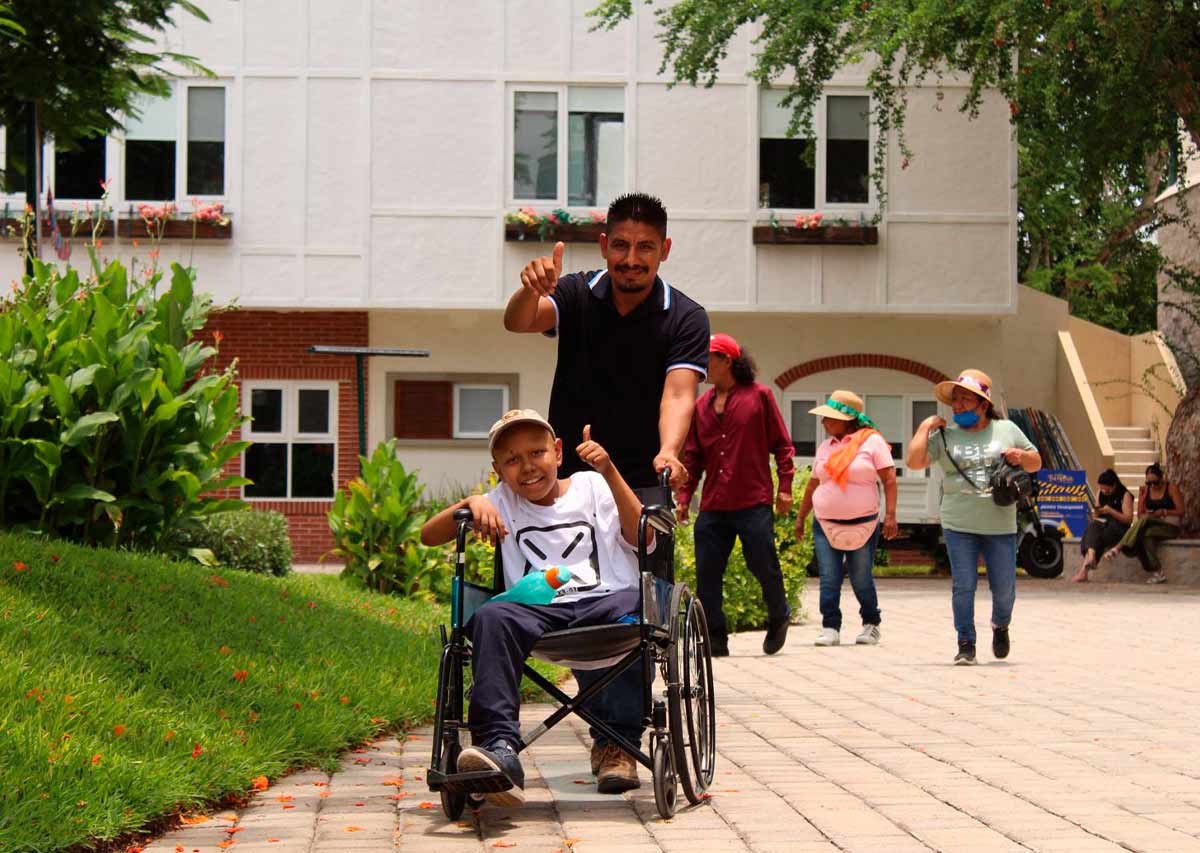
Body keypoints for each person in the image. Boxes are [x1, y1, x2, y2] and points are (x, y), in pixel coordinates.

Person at [502, 192, 710, 791]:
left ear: (664, 250)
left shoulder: (685, 316)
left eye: (645, 247)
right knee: (568, 590)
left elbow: (679, 392)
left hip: (640, 478)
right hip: (565, 481)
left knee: (635, 606)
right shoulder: (576, 295)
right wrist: (529, 289)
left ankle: (617, 738)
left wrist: (669, 450)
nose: (631, 258)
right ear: (604, 247)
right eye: (620, 245)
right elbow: (520, 320)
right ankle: (588, 730)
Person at [420, 409, 649, 806]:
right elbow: (428, 535)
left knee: (635, 607)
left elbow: (643, 539)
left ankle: (618, 744)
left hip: (605, 600)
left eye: (537, 453)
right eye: (512, 459)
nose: (527, 466)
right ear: (498, 470)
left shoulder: (592, 485)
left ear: (558, 451)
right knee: (491, 615)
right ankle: (499, 748)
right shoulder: (500, 501)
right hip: (538, 611)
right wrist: (472, 502)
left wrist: (610, 471)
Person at [905, 369, 1041, 665]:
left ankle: (1000, 625)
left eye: (965, 399)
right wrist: (925, 426)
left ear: (983, 403)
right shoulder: (945, 435)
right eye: (955, 400)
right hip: (959, 522)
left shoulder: (1006, 429)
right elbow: (914, 462)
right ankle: (966, 643)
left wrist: (1020, 456)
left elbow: (1036, 462)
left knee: (1004, 589)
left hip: (999, 522)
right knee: (963, 585)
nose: (958, 406)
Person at [676, 333, 794, 657]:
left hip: (752, 499)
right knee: (707, 573)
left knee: (762, 564)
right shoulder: (701, 405)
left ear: (727, 360)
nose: (703, 365)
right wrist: (684, 498)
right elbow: (693, 457)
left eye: (708, 358)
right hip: (714, 503)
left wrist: (785, 486)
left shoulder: (760, 397)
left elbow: (782, 445)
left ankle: (779, 614)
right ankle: (716, 638)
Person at [795, 390, 898, 647]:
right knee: (829, 577)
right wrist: (801, 517)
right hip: (825, 523)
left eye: (829, 417)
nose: (823, 422)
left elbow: (889, 479)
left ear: (847, 419)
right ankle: (830, 626)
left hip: (863, 523)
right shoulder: (825, 447)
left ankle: (871, 623)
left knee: (860, 577)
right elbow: (813, 484)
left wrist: (891, 515)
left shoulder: (871, 442)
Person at [1103, 463, 1186, 583]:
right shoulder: (1145, 490)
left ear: (1162, 478)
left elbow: (1181, 510)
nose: (1152, 485)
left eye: (1155, 482)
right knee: (1146, 534)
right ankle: (1158, 571)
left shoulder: (1171, 488)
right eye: (1149, 482)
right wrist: (1146, 506)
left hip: (1170, 526)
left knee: (1146, 519)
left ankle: (1118, 547)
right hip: (1152, 524)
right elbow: (1140, 515)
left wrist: (1164, 511)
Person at [1070, 468, 1133, 582]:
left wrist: (1111, 511)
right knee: (1092, 526)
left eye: (1107, 490)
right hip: (1103, 524)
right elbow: (1096, 515)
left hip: (1118, 527)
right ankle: (1091, 557)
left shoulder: (1125, 495)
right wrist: (1097, 512)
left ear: (1114, 485)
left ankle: (1084, 570)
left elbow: (1128, 520)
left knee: (1094, 535)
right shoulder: (1100, 492)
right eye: (1102, 489)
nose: (1104, 492)